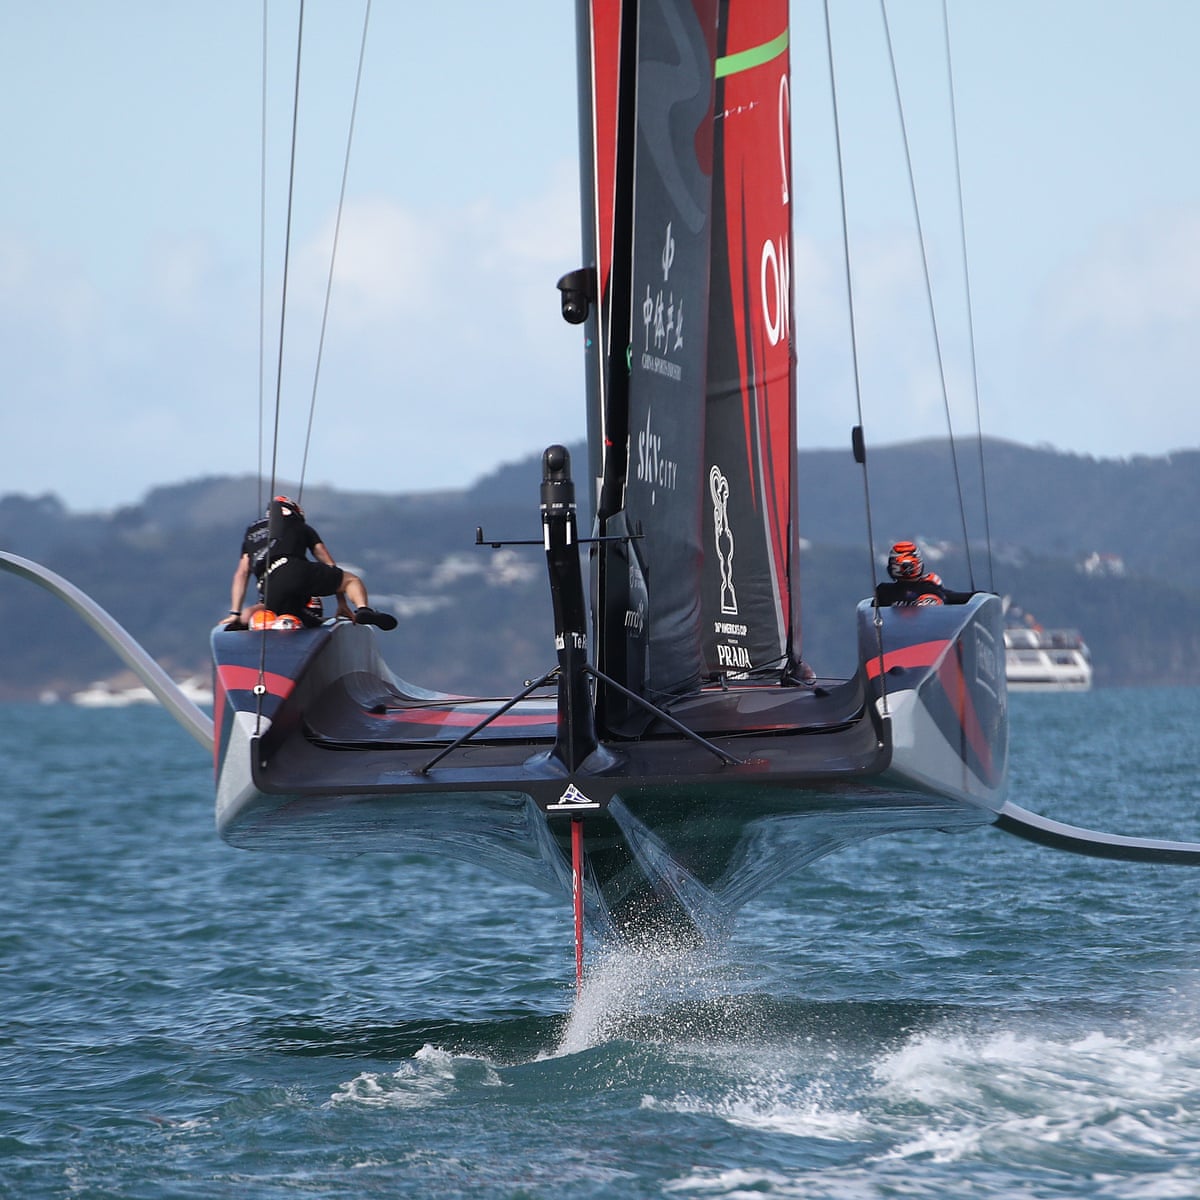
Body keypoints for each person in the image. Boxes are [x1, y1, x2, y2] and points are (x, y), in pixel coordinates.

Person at [220, 495, 397, 630]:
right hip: (293, 568)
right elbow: (324, 557)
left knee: (268, 609)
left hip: (267, 583)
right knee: (352, 580)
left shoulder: (251, 532)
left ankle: (244, 620)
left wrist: (234, 612)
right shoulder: (299, 525)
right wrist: (340, 599)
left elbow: (241, 573)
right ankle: (363, 610)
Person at [874, 540, 974, 608]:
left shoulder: (883, 592)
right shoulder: (932, 589)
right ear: (919, 564)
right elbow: (962, 597)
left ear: (892, 567)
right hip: (936, 638)